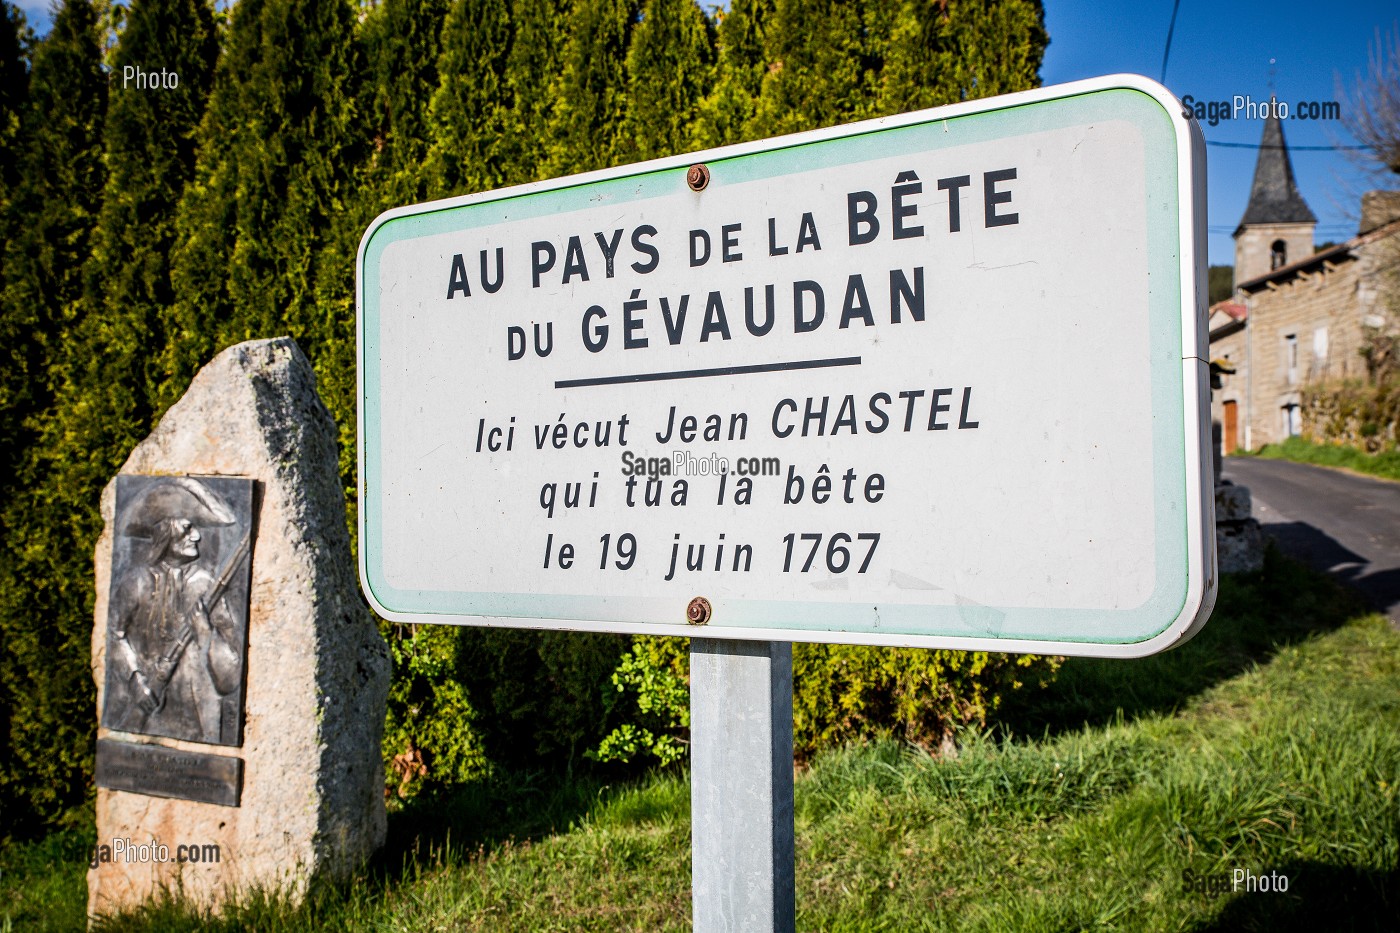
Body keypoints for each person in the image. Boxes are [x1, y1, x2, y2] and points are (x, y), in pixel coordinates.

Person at [105, 478, 244, 744]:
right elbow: (115, 634)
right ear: (164, 533)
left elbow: (230, 677)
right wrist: (136, 681)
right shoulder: (136, 581)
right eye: (187, 528)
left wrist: (206, 634)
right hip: (151, 702)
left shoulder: (205, 584)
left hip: (200, 717)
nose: (197, 536)